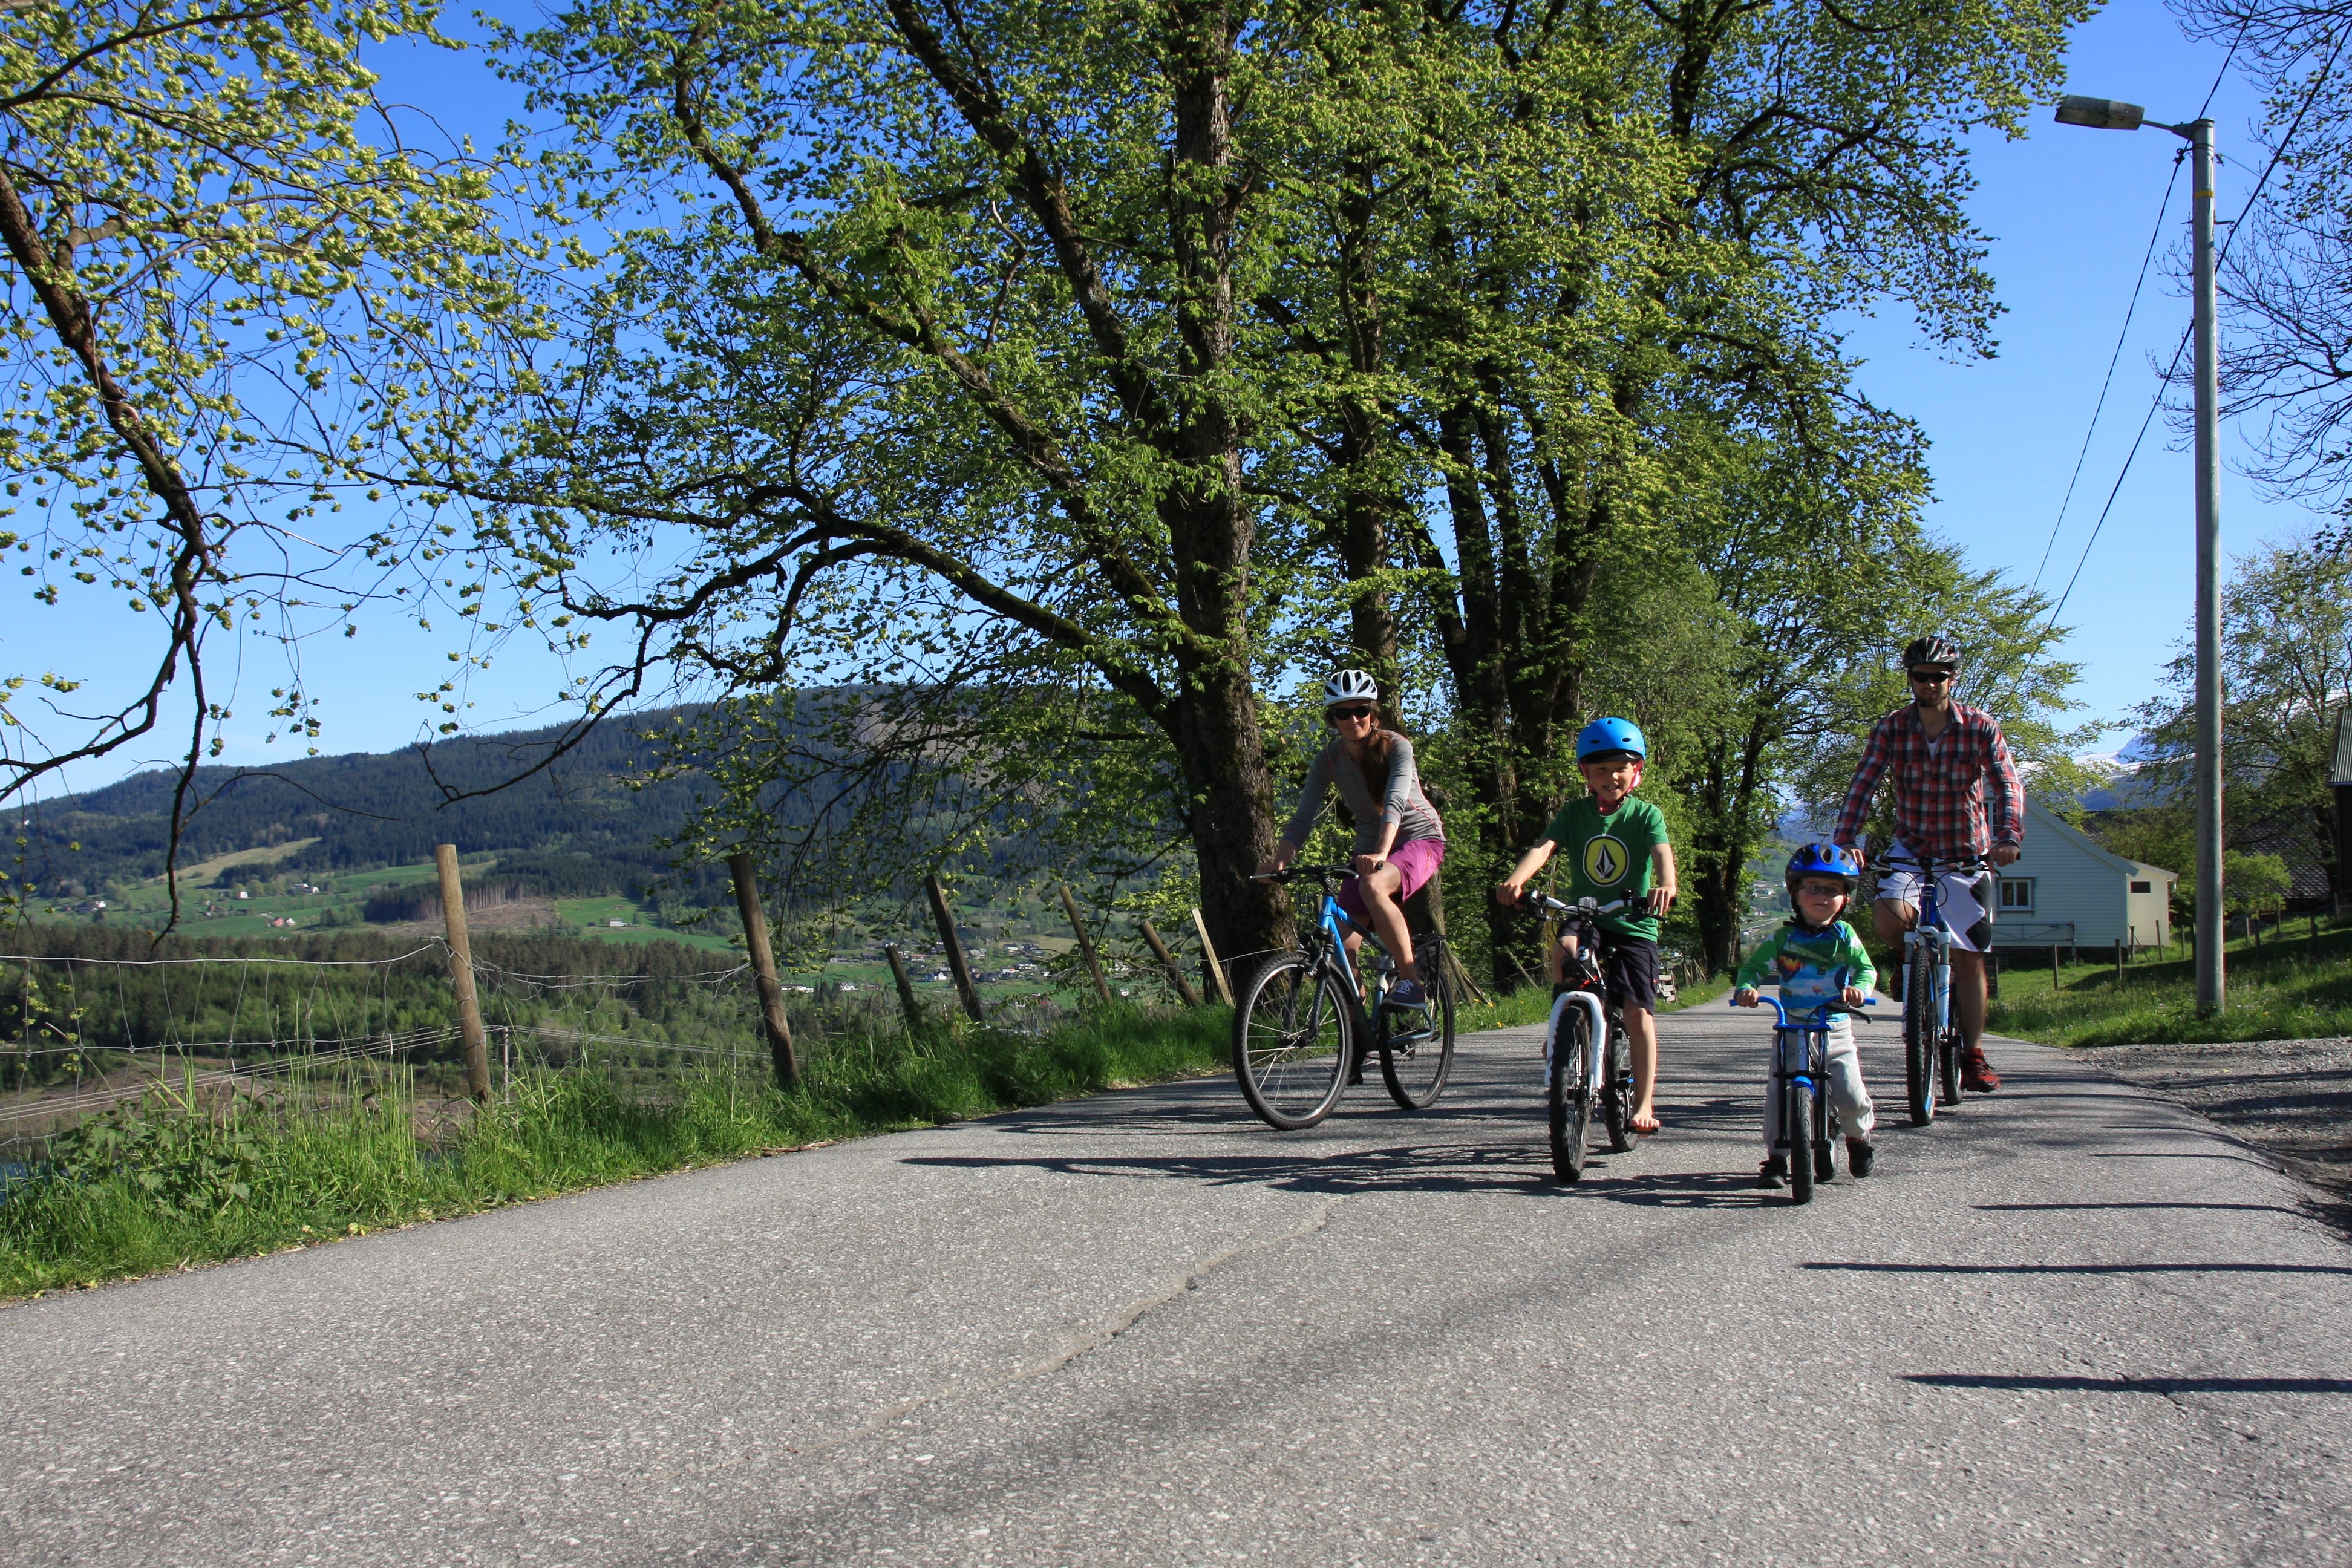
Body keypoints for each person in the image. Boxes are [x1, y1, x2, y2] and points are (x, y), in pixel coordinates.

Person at [1832, 633, 2024, 1093]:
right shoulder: (1893, 728)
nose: (1930, 684)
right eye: (1922, 676)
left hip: (1967, 855)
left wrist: (2008, 836)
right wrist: (1845, 839)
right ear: (1911, 679)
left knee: (1969, 958)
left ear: (1952, 680)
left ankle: (1973, 1054)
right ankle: (1909, 963)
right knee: (1887, 917)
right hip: (1912, 847)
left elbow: (2007, 782)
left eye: (1939, 676)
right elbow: (1865, 781)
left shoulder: (1979, 727)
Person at [1492, 717, 1677, 1134]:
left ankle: (1645, 1100)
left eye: (1621, 767)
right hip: (1588, 914)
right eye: (1600, 770)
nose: (1611, 776)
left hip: (1632, 923)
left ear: (1637, 772)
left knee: (1637, 1011)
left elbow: (1661, 852)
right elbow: (1544, 847)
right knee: (1565, 947)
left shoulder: (1647, 814)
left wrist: (1667, 884)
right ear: (1586, 775)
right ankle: (1562, 1026)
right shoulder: (1575, 813)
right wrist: (1518, 879)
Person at [1261, 670, 1446, 1010]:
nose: (1353, 719)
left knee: (1373, 887)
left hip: (1419, 839)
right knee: (1340, 945)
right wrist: (1279, 862)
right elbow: (1302, 819)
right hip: (1370, 850)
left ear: (1373, 713)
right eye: (1342, 713)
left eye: (1360, 709)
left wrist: (1380, 852)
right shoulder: (1328, 760)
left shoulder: (1397, 747)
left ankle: (1411, 982)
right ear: (1332, 719)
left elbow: (1394, 801)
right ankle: (1360, 1027)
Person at [1733, 843, 1878, 1188]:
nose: (1822, 896)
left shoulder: (1845, 936)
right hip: (1792, 1027)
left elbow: (1865, 969)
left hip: (1834, 1027)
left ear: (1845, 899)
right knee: (1779, 1093)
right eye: (1813, 888)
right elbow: (1754, 968)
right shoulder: (1782, 938)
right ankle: (1777, 1158)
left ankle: (1858, 1137)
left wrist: (1860, 989)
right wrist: (1747, 989)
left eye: (1833, 890)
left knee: (1850, 1091)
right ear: (1795, 894)